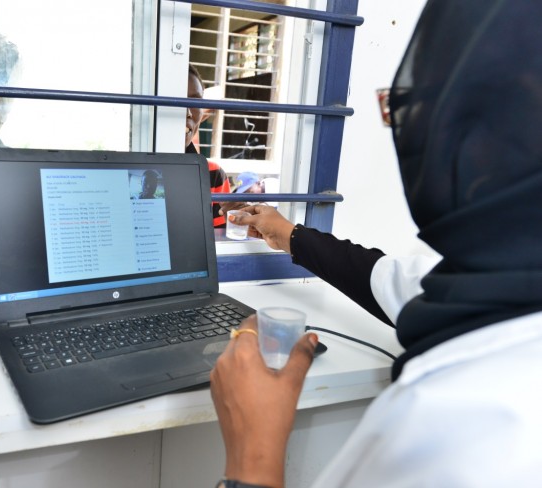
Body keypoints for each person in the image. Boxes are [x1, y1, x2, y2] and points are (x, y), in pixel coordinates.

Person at [210, 1, 542, 487]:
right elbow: (401, 283)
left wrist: (253, 453)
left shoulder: (478, 436)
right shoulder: (506, 280)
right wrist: (291, 236)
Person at [185, 64, 231, 227]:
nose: (188, 112)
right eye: (176, 100)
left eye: (195, 102)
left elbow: (217, 244)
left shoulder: (212, 175)